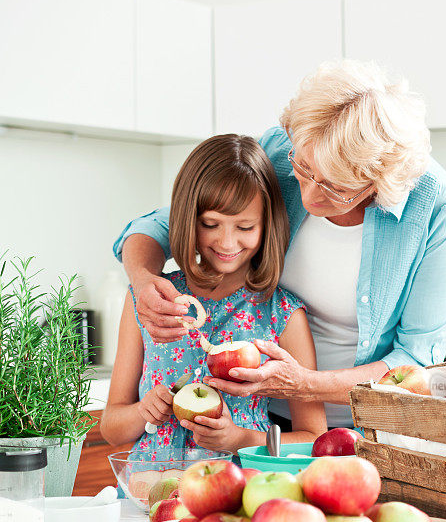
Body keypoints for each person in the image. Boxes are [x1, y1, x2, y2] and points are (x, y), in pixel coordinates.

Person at [112, 60, 446, 430]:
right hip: (262, 422)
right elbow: (169, 223)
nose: (310, 195)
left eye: (336, 187)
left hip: (367, 421)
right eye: (305, 170)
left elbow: (415, 360)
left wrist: (304, 385)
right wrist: (141, 280)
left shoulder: (434, 205)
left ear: (378, 182)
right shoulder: (283, 151)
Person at [101, 134, 327, 458]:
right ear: (188, 220)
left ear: (267, 226)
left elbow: (313, 437)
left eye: (245, 227)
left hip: (241, 494)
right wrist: (143, 411)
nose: (226, 241)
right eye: (211, 224)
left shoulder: (284, 314)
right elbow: (110, 427)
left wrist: (237, 438)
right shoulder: (152, 300)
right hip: (151, 491)